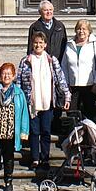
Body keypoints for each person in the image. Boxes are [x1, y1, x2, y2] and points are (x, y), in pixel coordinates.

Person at [18, 31, 71, 170]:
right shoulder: (25, 61)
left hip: (47, 101)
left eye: (41, 43)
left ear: (45, 45)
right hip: (32, 103)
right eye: (36, 43)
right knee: (34, 132)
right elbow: (19, 82)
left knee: (46, 131)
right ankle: (35, 158)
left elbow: (61, 79)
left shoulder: (51, 60)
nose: (38, 45)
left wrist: (67, 95)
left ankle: (45, 158)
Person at [0, 63, 30, 191]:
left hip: (11, 130)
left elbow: (24, 113)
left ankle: (8, 181)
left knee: (9, 157)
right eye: (4, 73)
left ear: (13, 76)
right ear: (0, 75)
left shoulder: (19, 93)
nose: (6, 76)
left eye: (9, 74)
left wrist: (24, 131)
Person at [61, 19, 96, 120]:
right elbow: (64, 66)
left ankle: (88, 135)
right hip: (73, 86)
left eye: (84, 29)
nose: (81, 31)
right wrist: (66, 84)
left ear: (89, 31)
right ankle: (74, 134)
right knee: (72, 113)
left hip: (90, 85)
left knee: (88, 114)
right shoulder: (69, 44)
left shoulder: (95, 44)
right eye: (79, 29)